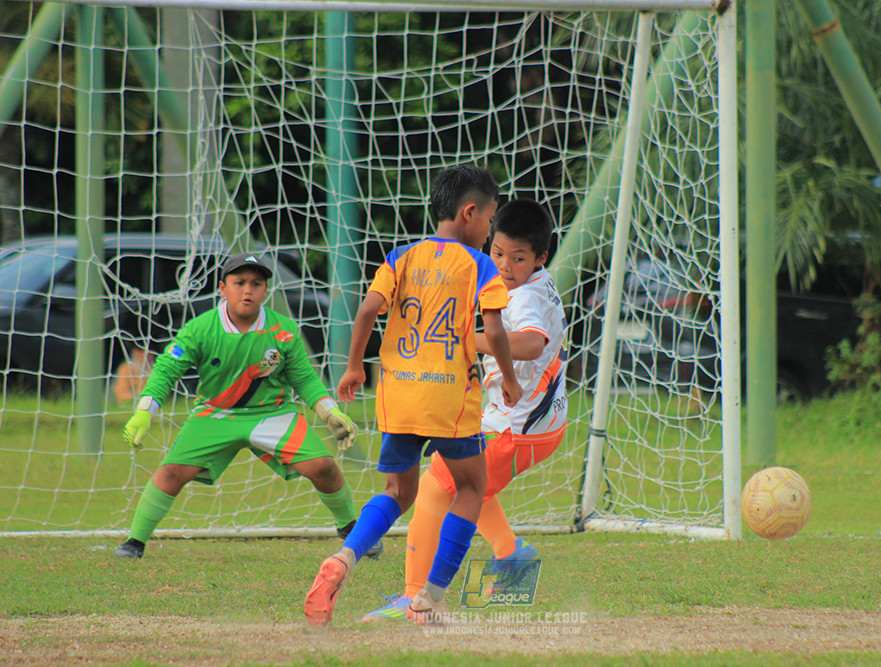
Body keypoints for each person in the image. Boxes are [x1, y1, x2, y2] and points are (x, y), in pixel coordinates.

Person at [303, 165, 523, 627]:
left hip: (399, 396)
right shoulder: (480, 266)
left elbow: (366, 309)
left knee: (396, 492)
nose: (490, 231)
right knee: (470, 487)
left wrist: (353, 366)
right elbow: (496, 331)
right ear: (469, 213)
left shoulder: (400, 256)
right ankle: (432, 597)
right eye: (489, 219)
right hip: (450, 401)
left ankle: (343, 559)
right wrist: (508, 377)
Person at [361, 198, 567, 621]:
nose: (506, 266)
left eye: (519, 258)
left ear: (540, 258)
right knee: (466, 477)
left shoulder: (525, 297)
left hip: (522, 424)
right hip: (526, 418)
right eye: (498, 254)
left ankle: (417, 599)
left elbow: (529, 343)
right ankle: (512, 557)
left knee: (438, 484)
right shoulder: (521, 284)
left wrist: (462, 338)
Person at [114, 252, 380, 562]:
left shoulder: (283, 330)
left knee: (323, 466)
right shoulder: (200, 329)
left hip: (272, 413)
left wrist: (329, 412)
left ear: (266, 290)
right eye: (239, 283)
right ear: (223, 288)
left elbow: (305, 379)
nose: (248, 290)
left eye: (256, 283)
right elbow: (165, 372)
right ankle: (134, 543)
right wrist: (145, 411)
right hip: (215, 414)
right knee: (171, 473)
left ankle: (351, 529)